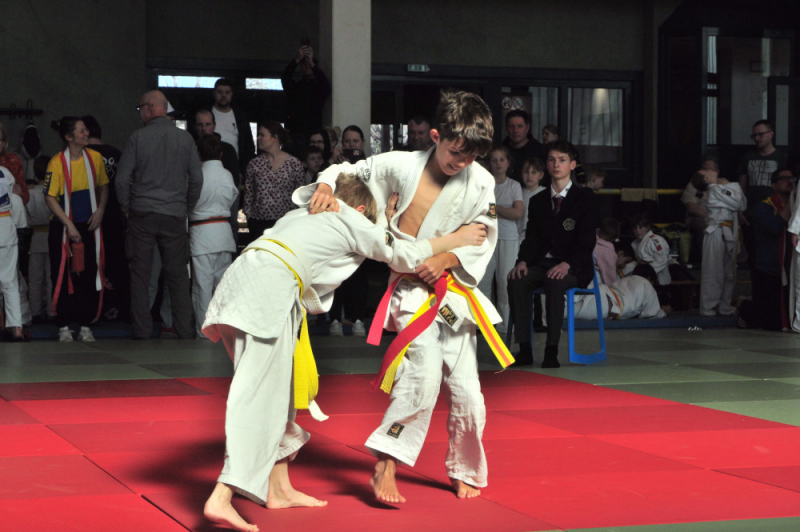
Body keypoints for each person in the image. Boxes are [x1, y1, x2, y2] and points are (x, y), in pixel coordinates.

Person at [201, 173, 486, 531]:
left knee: (279, 390)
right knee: (259, 395)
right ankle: (223, 495)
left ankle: (279, 488)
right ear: (361, 210)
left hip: (239, 284)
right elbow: (402, 253)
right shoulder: (348, 216)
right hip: (268, 290)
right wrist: (457, 239)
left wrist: (381, 217)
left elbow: (363, 228)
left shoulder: (307, 210)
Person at [304, 90, 505, 503]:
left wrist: (446, 258)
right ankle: (388, 461)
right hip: (412, 289)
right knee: (424, 373)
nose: (461, 163)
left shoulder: (481, 181)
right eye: (455, 152)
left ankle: (465, 467)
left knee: (468, 391)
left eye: (471, 157)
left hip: (454, 292)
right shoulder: (400, 164)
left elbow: (484, 236)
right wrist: (324, 183)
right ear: (436, 136)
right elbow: (347, 170)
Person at [116, 90, 203, 340]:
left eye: (140, 108)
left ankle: (142, 331)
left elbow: (121, 179)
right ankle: (184, 330)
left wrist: (127, 208)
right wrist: (186, 207)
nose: (140, 113)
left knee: (141, 276)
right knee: (178, 277)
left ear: (150, 107)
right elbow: (197, 179)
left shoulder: (137, 138)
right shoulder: (185, 139)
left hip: (142, 214)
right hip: (174, 214)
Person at [508, 140, 598, 368]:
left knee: (555, 282)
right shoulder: (538, 200)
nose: (556, 164)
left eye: (562, 160)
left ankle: (551, 351)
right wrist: (522, 261)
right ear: (546, 165)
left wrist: (568, 264)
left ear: (572, 165)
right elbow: (531, 238)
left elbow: (587, 240)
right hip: (543, 264)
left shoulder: (585, 197)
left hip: (574, 266)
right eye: (552, 160)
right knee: (517, 279)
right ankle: (525, 349)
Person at [45, 117, 110, 342]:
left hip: (89, 225)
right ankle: (63, 326)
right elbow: (50, 197)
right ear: (68, 137)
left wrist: (100, 210)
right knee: (62, 275)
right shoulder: (56, 162)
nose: (86, 134)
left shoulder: (95, 158)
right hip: (63, 227)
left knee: (89, 274)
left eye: (86, 130)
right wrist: (69, 225)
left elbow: (104, 187)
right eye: (82, 131)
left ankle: (85, 325)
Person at [81, 114, 129, 321]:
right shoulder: (117, 154)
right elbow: (126, 183)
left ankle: (95, 308)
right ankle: (121, 306)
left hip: (89, 217)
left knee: (90, 263)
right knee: (117, 263)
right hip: (114, 216)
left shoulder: (82, 155)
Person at [191, 135, 239, 339]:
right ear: (220, 154)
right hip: (223, 232)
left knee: (203, 286)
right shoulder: (227, 175)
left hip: (201, 233)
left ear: (199, 154)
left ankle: (205, 331)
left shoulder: (196, 175)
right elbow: (233, 197)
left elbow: (190, 201)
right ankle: (223, 329)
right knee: (222, 286)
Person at [740, 168, 794, 330]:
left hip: (789, 268)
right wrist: (792, 201)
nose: (790, 181)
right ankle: (745, 309)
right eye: (784, 178)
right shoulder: (764, 207)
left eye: (792, 178)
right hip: (768, 269)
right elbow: (774, 227)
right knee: (769, 322)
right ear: (773, 185)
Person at [477, 145, 522, 332]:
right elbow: (479, 210)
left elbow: (517, 213)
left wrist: (494, 208)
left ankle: (505, 325)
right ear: (489, 163)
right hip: (486, 238)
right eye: (494, 160)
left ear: (508, 163)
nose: (498, 164)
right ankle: (483, 323)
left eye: (502, 160)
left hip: (508, 238)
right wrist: (502, 210)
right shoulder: (484, 183)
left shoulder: (514, 186)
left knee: (505, 281)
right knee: (483, 280)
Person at [691, 169, 746, 316]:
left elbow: (742, 205)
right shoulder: (715, 189)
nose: (711, 170)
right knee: (713, 271)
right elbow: (737, 203)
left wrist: (729, 186)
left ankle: (724, 306)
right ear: (706, 178)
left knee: (729, 273)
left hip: (728, 232)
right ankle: (707, 307)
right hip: (716, 232)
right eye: (706, 170)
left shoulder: (720, 188)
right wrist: (730, 185)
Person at [738, 120, 789, 271]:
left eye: (760, 134)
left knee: (774, 256)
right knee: (753, 257)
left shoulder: (782, 157)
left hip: (775, 211)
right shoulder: (747, 157)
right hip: (750, 213)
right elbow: (742, 186)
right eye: (754, 135)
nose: (757, 138)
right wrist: (739, 210)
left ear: (771, 134)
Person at [242, 121, 305, 237]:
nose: (258, 138)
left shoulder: (294, 164)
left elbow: (300, 194)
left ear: (275, 137)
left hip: (286, 223)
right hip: (259, 223)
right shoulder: (254, 164)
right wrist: (249, 217)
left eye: (262, 135)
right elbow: (248, 195)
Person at [194, 109, 241, 243]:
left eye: (207, 124)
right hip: (198, 209)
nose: (204, 129)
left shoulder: (227, 149)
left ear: (214, 126)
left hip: (223, 204)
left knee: (232, 224)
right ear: (195, 126)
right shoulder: (189, 148)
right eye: (200, 125)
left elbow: (234, 182)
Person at [571, 264, 669, 320]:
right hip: (603, 304)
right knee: (564, 312)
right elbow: (651, 314)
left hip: (600, 292)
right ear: (649, 278)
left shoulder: (624, 280)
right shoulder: (646, 284)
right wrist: (663, 312)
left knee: (564, 301)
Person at [518, 156, 546, 330]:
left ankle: (543, 321)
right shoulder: (518, 192)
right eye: (526, 172)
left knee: (541, 283)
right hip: (519, 240)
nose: (529, 175)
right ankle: (524, 321)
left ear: (541, 175)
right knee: (522, 281)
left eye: (534, 172)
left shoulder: (545, 193)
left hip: (540, 242)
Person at [281, 41, 331, 138]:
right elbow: (285, 78)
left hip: (314, 131)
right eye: (304, 64)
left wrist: (312, 63)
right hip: (294, 131)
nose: (307, 65)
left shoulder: (319, 88)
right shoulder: (295, 86)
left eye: (309, 64)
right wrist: (297, 59)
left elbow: (326, 85)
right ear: (300, 67)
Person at [26, 156, 53, 322]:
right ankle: (51, 311)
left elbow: (27, 220)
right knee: (51, 277)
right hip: (53, 236)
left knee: (35, 278)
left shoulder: (30, 193)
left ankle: (35, 312)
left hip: (36, 237)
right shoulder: (55, 191)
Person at [0, 165, 25, 340]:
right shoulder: (5, 172)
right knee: (9, 282)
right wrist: (17, 224)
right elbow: (15, 200)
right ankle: (16, 327)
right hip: (5, 229)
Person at [212, 78, 256, 174]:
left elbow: (248, 146)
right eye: (220, 92)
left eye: (227, 92)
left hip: (234, 166)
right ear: (214, 93)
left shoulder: (240, 116)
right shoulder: (207, 114)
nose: (223, 95)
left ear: (232, 94)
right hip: (210, 164)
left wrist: (244, 170)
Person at [682, 158, 720, 262]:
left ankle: (739, 262)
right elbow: (691, 207)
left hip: (720, 218)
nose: (706, 172)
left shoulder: (722, 185)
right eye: (704, 169)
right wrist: (710, 218)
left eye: (710, 169)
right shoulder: (694, 184)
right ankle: (708, 261)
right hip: (700, 218)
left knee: (732, 226)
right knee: (705, 226)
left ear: (717, 172)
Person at [502, 110, 545, 184]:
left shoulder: (540, 151)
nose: (515, 130)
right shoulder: (500, 152)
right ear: (506, 128)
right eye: (511, 126)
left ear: (527, 128)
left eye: (520, 126)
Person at [631, 212, 671, 286]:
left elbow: (662, 260)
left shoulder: (655, 240)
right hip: (643, 280)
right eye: (635, 228)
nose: (637, 231)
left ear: (647, 227)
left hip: (659, 282)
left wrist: (645, 273)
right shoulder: (635, 243)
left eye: (640, 227)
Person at [0, 121, 30, 206]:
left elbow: (25, 197)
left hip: (8, 210)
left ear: (4, 142)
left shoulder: (12, 160)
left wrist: (19, 192)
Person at [594, 218, 620, 285]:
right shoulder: (607, 251)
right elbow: (609, 274)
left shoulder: (587, 239)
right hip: (595, 284)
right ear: (613, 239)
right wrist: (613, 288)